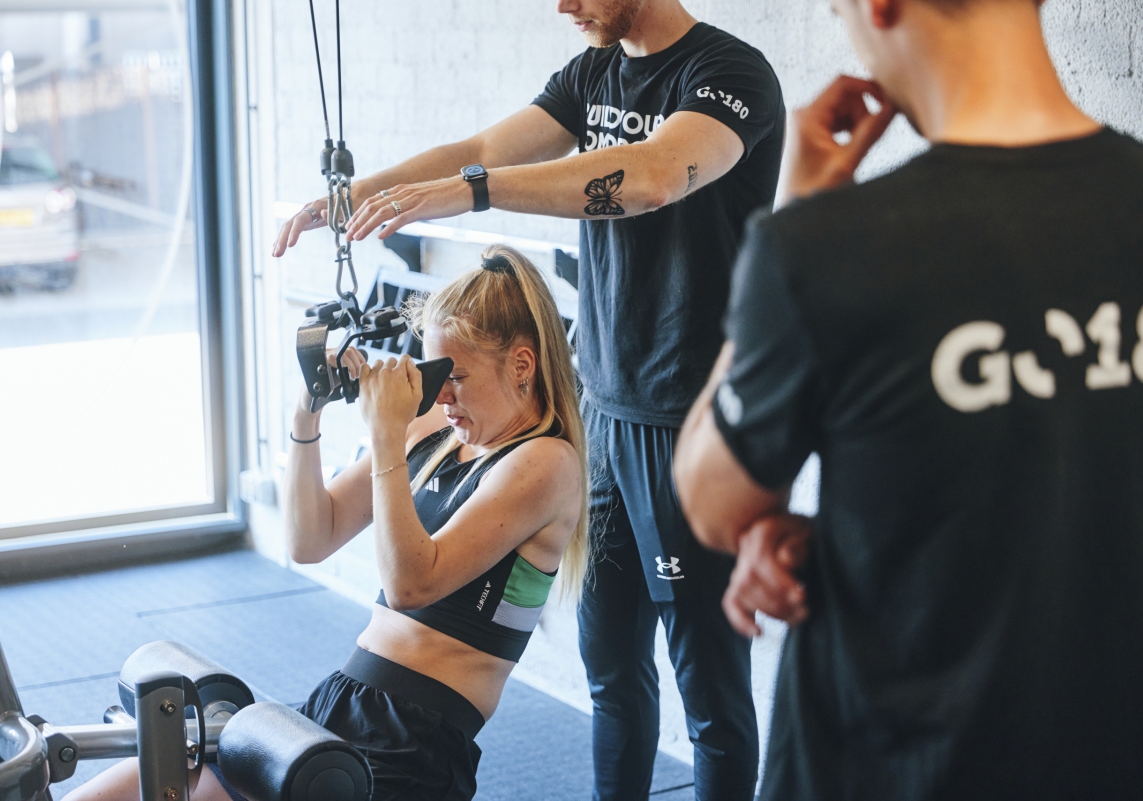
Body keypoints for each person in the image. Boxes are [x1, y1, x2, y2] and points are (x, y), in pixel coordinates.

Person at [274, 2, 784, 797]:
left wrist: (471, 194)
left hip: (695, 425)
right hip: (607, 411)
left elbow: (648, 178)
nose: (563, 7)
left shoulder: (728, 74)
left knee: (710, 689)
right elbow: (478, 148)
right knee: (611, 668)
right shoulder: (594, 73)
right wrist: (361, 196)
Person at [673, 0, 1143, 799]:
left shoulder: (824, 248)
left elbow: (714, 500)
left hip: (893, 763)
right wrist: (859, 533)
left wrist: (790, 228)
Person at [66, 246, 589, 801]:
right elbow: (311, 539)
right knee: (156, 769)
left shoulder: (546, 463)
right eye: (436, 375)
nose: (443, 396)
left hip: (415, 743)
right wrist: (306, 414)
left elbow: (412, 585)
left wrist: (386, 434)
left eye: (456, 376)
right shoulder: (434, 430)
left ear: (522, 366)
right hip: (340, 698)